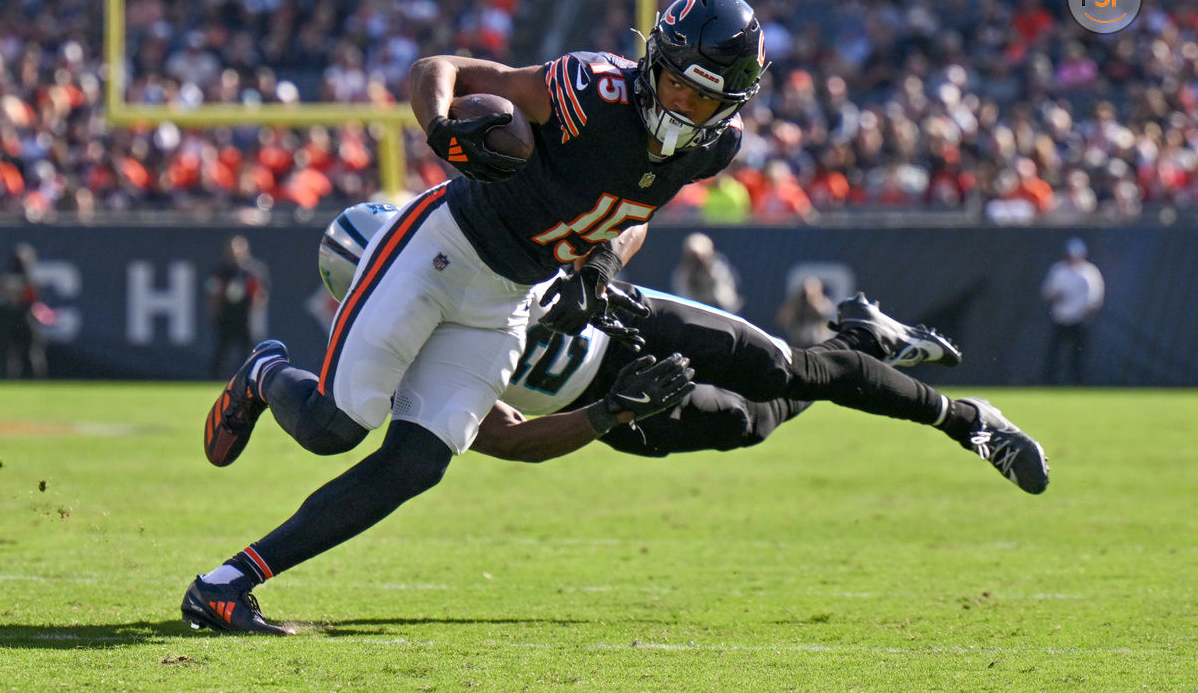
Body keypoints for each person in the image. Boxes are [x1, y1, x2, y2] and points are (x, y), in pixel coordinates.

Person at [185, 0, 773, 634]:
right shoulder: (589, 88)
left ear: (732, 103)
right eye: (674, 83)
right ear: (652, 60)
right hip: (440, 249)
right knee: (334, 428)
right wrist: (440, 126)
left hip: (508, 298)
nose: (681, 104)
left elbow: (633, 215)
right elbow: (437, 70)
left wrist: (601, 266)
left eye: (704, 97)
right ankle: (266, 373)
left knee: (419, 462)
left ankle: (225, 585)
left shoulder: (712, 147)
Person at [314, 205, 1043, 479]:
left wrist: (595, 268)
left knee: (781, 369)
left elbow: (629, 213)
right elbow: (508, 440)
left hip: (635, 322)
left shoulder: (489, 224)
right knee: (745, 422)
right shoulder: (400, 359)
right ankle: (863, 340)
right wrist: (607, 416)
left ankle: (971, 423)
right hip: (607, 402)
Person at [1040, 237, 1104, 385]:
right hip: (1060, 318)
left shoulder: (1089, 272)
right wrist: (1055, 297)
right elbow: (1047, 293)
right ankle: (1050, 383)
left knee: (1079, 355)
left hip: (1079, 320)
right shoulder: (1058, 270)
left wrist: (1085, 314)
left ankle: (1079, 383)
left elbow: (1094, 297)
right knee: (1054, 354)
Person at [206, 235, 269, 379]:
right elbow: (213, 293)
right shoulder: (221, 271)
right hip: (227, 317)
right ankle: (215, 379)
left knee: (248, 352)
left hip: (245, 317)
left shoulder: (253, 271)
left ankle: (249, 381)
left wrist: (257, 311)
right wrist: (215, 313)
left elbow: (261, 296)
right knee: (221, 352)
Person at [0, 243, 48, 379]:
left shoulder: (6, 279)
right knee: (26, 352)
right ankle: (31, 378)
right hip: (21, 317)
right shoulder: (28, 281)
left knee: (11, 352)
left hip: (11, 317)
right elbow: (34, 300)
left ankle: (11, 378)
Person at [670, 231, 743, 312]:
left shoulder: (718, 268)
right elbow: (683, 298)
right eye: (693, 256)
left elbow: (728, 300)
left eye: (700, 256)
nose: (697, 259)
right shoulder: (682, 274)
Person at [775, 275, 837, 348]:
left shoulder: (824, 303)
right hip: (800, 344)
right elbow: (782, 319)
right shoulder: (796, 305)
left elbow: (826, 316)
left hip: (819, 344)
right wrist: (795, 304)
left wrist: (813, 301)